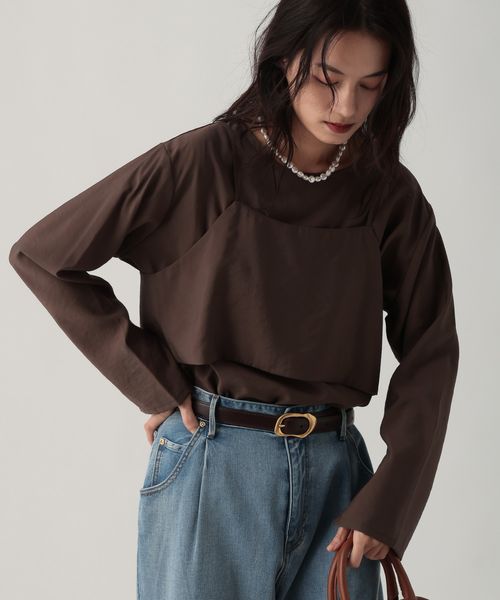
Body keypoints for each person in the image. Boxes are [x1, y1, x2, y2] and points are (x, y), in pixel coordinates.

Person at [8, 1, 459, 598]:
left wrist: (393, 498)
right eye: (328, 79)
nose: (347, 106)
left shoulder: (389, 195)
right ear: (284, 60)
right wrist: (154, 381)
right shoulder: (203, 163)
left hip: (339, 482)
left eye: (370, 85)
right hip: (212, 464)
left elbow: (431, 348)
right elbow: (43, 256)